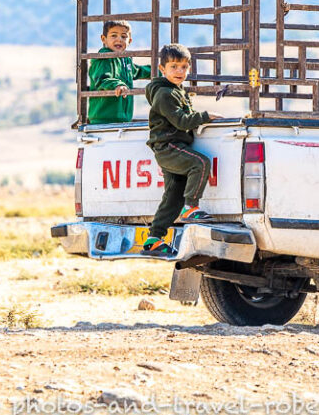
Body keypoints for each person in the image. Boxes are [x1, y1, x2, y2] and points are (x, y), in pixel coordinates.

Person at [141, 44, 223, 256]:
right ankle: (191, 208)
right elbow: (181, 121)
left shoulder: (177, 91)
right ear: (162, 68)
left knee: (173, 196)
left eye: (184, 67)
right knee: (201, 163)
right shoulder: (164, 95)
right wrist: (205, 116)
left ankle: (154, 239)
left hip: (173, 146)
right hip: (169, 147)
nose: (180, 71)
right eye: (174, 66)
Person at [87, 20, 151, 124]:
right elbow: (102, 79)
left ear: (129, 41)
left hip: (122, 119)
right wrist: (118, 85)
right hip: (103, 118)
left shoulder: (125, 59)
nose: (119, 39)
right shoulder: (103, 58)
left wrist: (159, 71)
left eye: (123, 36)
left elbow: (137, 71)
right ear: (104, 39)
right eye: (113, 35)